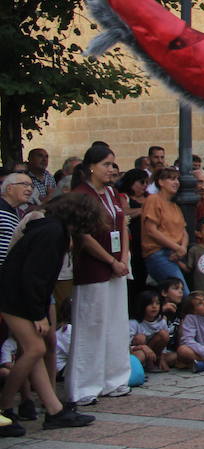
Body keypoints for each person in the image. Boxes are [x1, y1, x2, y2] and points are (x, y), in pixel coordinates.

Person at [0, 194, 101, 434]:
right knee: (35, 349)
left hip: (17, 293)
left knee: (34, 350)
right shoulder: (52, 233)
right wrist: (38, 314)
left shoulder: (50, 227)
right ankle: (4, 408)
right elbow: (34, 275)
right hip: (15, 295)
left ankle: (54, 410)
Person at [67, 143, 132, 405]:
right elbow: (82, 235)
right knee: (91, 326)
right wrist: (109, 260)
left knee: (116, 324)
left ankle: (115, 379)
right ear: (91, 167)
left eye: (113, 164)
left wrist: (124, 257)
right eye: (106, 164)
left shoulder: (113, 194)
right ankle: (84, 387)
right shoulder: (81, 195)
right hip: (94, 268)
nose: (111, 169)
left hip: (117, 266)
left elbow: (123, 225)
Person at [141, 167, 189, 290]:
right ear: (161, 182)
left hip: (175, 254)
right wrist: (177, 247)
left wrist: (182, 248)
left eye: (177, 179)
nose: (176, 182)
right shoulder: (153, 199)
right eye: (171, 179)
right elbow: (151, 230)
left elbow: (184, 231)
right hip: (158, 253)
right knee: (182, 292)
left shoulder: (175, 206)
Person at [129, 290, 172, 373]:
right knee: (140, 338)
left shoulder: (161, 321)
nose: (154, 306)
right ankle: (146, 363)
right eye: (150, 304)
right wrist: (143, 347)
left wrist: (162, 358)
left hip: (155, 352)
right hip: (139, 352)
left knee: (165, 335)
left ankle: (155, 361)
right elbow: (126, 346)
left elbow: (164, 343)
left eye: (157, 303)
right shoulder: (134, 323)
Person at [0, 174, 31, 266]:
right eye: (25, 185)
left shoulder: (15, 213)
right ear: (9, 188)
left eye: (31, 186)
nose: (30, 189)